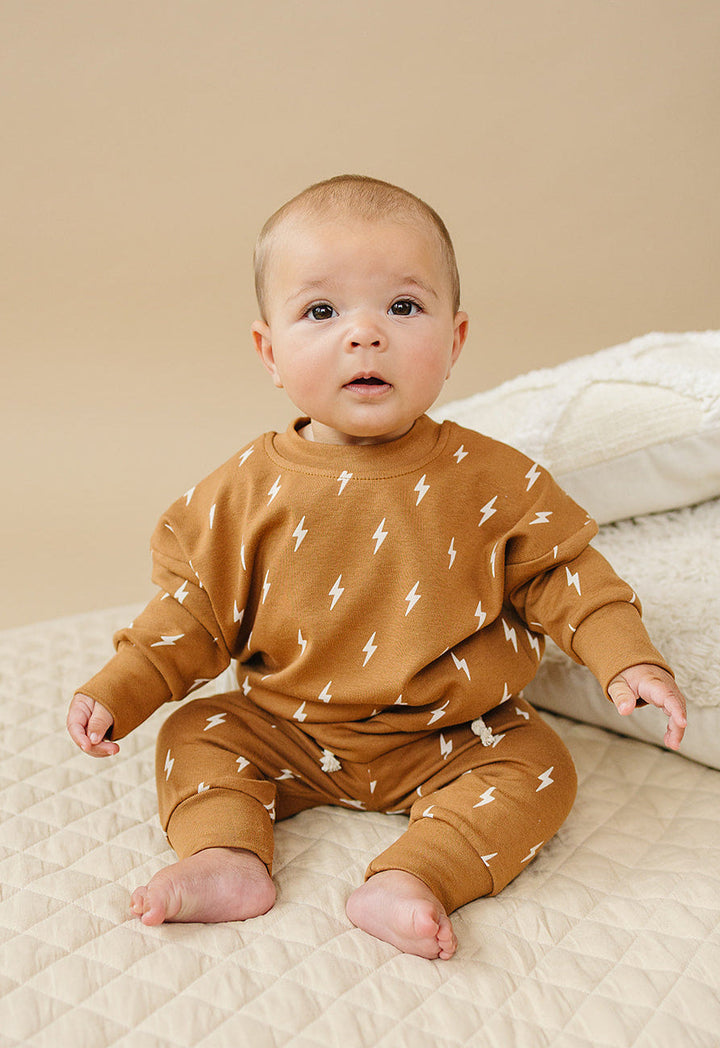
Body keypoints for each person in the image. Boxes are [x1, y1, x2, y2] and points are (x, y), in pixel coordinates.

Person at [67, 175, 687, 960]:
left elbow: (566, 577)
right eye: (322, 312)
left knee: (541, 766)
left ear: (455, 340)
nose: (365, 335)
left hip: (453, 733)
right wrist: (119, 687)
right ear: (269, 350)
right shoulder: (238, 493)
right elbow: (189, 612)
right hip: (287, 730)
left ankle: (416, 876)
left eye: (403, 307)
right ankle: (225, 855)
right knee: (198, 731)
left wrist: (627, 657)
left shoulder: (493, 479)